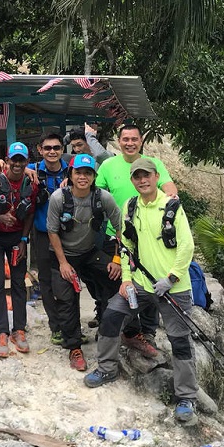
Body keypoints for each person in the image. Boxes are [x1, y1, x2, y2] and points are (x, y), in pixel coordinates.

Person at [85, 158, 198, 426]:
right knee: (111, 315)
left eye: (146, 175)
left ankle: (186, 397)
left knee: (180, 340)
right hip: (140, 284)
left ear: (156, 176)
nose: (142, 180)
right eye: (137, 177)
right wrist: (125, 280)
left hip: (173, 287)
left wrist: (171, 278)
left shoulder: (171, 206)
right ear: (133, 180)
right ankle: (107, 369)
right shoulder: (130, 206)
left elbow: (187, 247)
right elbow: (126, 246)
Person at [94, 123, 178, 356]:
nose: (129, 143)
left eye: (134, 139)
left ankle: (146, 332)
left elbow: (169, 186)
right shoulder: (108, 165)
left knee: (150, 281)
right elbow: (94, 190)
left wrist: (172, 198)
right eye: (125, 139)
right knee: (117, 283)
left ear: (141, 141)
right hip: (117, 234)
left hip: (150, 237)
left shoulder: (154, 164)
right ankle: (120, 328)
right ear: (118, 141)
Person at [47, 154, 121, 372]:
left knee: (115, 280)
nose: (82, 177)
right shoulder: (58, 198)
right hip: (63, 255)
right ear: (70, 174)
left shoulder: (102, 198)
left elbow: (120, 228)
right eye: (78, 172)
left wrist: (117, 259)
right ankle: (74, 346)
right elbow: (52, 231)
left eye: (87, 173)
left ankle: (108, 328)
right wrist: (63, 263)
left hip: (89, 252)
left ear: (94, 176)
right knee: (67, 298)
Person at [0, 142, 37, 359]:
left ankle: (19, 330)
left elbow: (31, 212)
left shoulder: (31, 184)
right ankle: (2, 332)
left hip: (17, 237)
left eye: (21, 160)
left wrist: (24, 238)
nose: (17, 164)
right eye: (13, 159)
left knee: (18, 282)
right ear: (7, 160)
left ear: (26, 162)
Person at [27, 132, 68, 345]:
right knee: (46, 280)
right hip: (42, 233)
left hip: (67, 234)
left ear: (62, 150)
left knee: (67, 279)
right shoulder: (32, 170)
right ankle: (56, 326)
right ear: (40, 150)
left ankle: (70, 323)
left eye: (56, 148)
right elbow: (5, 171)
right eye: (48, 148)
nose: (52, 152)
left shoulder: (72, 171)